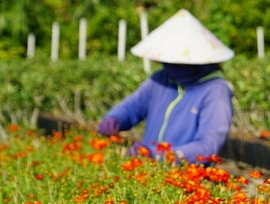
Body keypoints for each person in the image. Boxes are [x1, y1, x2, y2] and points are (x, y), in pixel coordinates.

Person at [97, 9, 234, 164]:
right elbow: (133, 106)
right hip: (149, 173)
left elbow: (207, 146)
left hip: (186, 180)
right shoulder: (161, 79)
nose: (170, 66)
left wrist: (159, 155)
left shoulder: (215, 91)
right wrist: (115, 118)